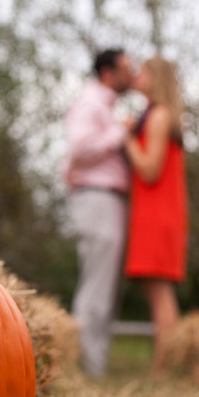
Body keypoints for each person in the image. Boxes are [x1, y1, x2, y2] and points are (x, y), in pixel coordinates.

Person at [63, 48, 134, 377]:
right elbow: (79, 150)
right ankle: (88, 365)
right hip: (96, 197)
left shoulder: (104, 106)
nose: (131, 74)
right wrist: (120, 132)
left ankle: (93, 361)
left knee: (104, 282)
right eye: (126, 68)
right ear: (108, 72)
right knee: (97, 282)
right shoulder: (91, 103)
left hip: (106, 199)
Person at [123, 57, 188, 374]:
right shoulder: (154, 115)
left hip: (159, 214)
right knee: (156, 292)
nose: (138, 75)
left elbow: (150, 169)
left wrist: (127, 140)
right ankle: (164, 363)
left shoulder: (159, 115)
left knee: (161, 293)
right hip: (153, 212)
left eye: (144, 71)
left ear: (157, 78)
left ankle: (165, 366)